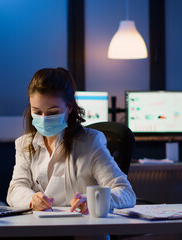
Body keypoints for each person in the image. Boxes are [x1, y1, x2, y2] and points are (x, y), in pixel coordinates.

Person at [7, 67, 136, 214]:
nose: (44, 118)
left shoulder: (91, 141)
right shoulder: (25, 143)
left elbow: (126, 193)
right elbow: (15, 189)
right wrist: (31, 199)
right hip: (39, 230)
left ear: (69, 107)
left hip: (82, 231)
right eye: (37, 112)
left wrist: (94, 200)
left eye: (53, 112)